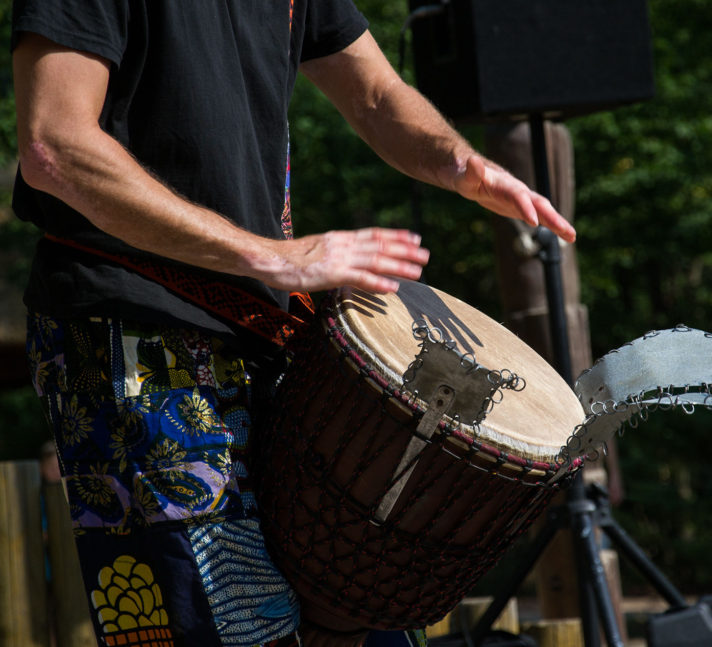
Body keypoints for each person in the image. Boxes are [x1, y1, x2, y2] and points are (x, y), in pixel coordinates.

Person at [12, 2, 576, 646]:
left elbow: (376, 94)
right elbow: (53, 145)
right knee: (228, 630)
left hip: (270, 342)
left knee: (362, 625)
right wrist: (273, 256)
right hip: (130, 337)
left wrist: (458, 163)